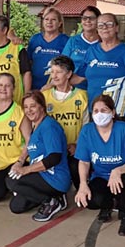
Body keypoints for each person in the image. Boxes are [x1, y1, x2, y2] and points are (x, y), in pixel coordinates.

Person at [74, 95, 125, 237]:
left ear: (112, 113)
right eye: (96, 111)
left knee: (124, 183)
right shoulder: (87, 131)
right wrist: (82, 185)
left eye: (104, 110)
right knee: (89, 199)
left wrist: (118, 170)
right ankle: (107, 205)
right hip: (101, 176)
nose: (100, 114)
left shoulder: (123, 129)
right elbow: (84, 161)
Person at [71, 13, 125, 132]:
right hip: (96, 112)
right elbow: (78, 77)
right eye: (100, 25)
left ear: (116, 28)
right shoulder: (91, 51)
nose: (104, 27)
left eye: (109, 24)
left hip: (121, 112)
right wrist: (54, 83)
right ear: (97, 30)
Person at [5, 91, 71, 222]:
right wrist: (19, 162)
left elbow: (54, 157)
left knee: (11, 180)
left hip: (54, 178)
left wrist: (26, 170)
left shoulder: (49, 126)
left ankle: (51, 202)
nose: (29, 110)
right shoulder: (36, 126)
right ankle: (57, 197)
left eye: (33, 106)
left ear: (42, 106)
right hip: (42, 176)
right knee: (16, 206)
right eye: (26, 107)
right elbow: (29, 148)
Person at [42, 55, 88, 188]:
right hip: (52, 150)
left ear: (69, 74)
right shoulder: (44, 96)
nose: (54, 76)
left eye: (59, 72)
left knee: (78, 179)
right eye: (52, 71)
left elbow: (86, 126)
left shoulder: (82, 96)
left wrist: (77, 145)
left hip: (74, 150)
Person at [0, 73, 31, 202]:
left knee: (16, 188)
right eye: (0, 85)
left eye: (7, 86)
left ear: (13, 89)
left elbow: (29, 140)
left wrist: (20, 161)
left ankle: (18, 185)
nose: (3, 89)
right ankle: (9, 185)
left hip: (14, 162)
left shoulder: (20, 111)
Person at [0, 15, 31, 105]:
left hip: (14, 104)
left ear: (4, 30)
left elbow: (26, 73)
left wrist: (26, 96)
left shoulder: (17, 48)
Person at [28, 7, 69, 90]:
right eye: (46, 19)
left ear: (60, 23)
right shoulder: (35, 39)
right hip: (35, 87)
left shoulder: (66, 41)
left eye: (53, 19)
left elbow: (68, 67)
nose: (49, 22)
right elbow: (28, 62)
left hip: (56, 88)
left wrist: (51, 84)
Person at [62, 6, 101, 90]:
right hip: (73, 89)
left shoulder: (103, 42)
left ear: (98, 20)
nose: (88, 21)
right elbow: (63, 64)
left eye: (92, 18)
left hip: (96, 88)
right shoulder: (73, 41)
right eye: (84, 18)